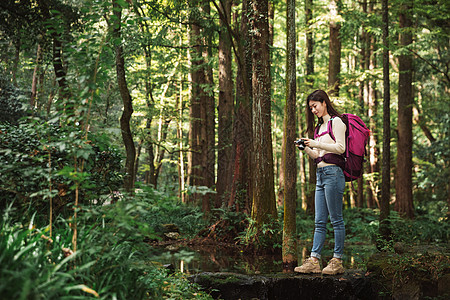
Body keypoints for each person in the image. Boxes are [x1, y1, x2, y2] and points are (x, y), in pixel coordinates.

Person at [294, 89, 346, 275]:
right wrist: (305, 148)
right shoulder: (318, 128)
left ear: (324, 102)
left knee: (336, 220)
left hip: (334, 174)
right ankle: (314, 260)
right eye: (310, 108)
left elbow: (340, 148)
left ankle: (337, 260)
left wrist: (315, 143)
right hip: (321, 174)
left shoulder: (336, 122)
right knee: (319, 221)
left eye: (314, 106)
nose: (313, 110)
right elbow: (318, 157)